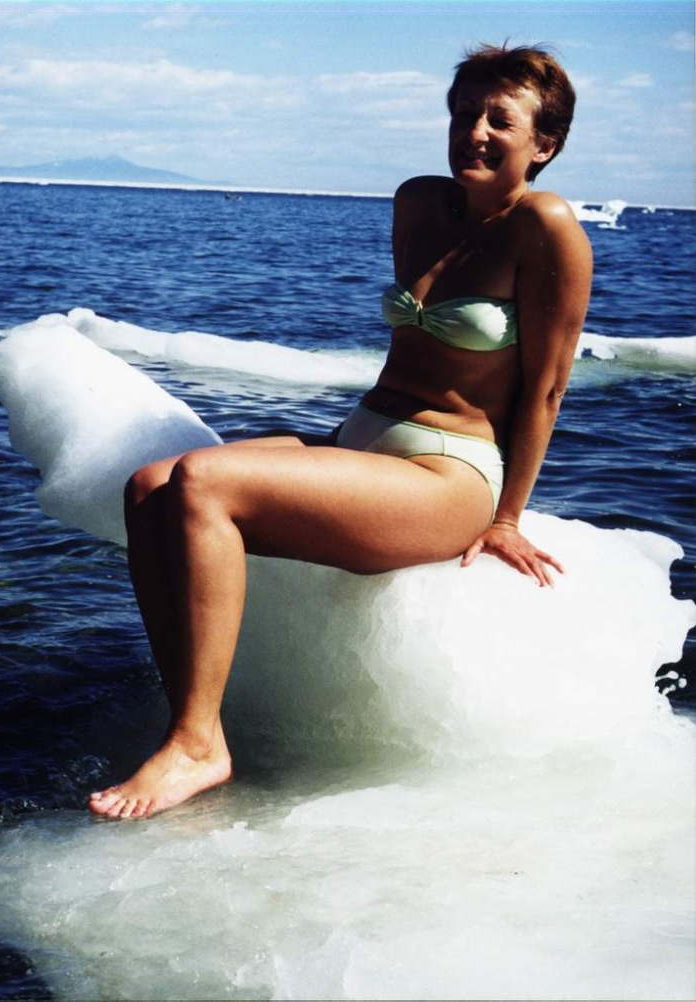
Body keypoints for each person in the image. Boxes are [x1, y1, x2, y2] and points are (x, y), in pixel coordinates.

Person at [89, 43, 592, 820]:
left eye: (501, 120)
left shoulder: (546, 225)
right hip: (365, 434)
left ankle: (198, 746)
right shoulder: (418, 203)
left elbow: (546, 390)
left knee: (204, 483)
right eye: (465, 113)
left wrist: (507, 518)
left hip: (448, 470)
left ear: (544, 144)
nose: (475, 132)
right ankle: (193, 714)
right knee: (149, 486)